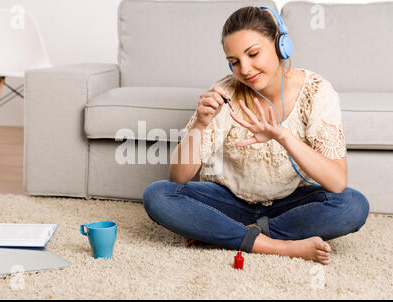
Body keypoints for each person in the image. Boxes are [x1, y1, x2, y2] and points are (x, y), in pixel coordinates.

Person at [142, 6, 369, 265]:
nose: (245, 69)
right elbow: (177, 178)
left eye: (253, 54)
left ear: (280, 45)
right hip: (229, 202)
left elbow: (337, 182)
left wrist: (283, 136)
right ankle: (279, 246)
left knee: (353, 205)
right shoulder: (224, 93)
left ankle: (227, 234)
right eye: (234, 61)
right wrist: (200, 125)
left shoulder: (317, 91)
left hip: (290, 205)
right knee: (157, 195)